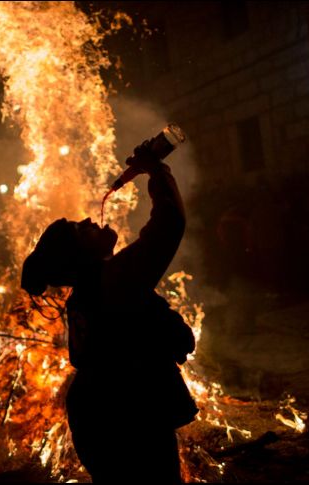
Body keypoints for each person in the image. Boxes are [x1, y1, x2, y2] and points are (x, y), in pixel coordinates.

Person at [21, 142, 198, 482]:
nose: (89, 219)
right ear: (79, 257)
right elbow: (169, 223)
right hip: (129, 418)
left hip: (99, 417)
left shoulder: (86, 293)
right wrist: (156, 170)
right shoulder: (113, 278)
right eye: (79, 229)